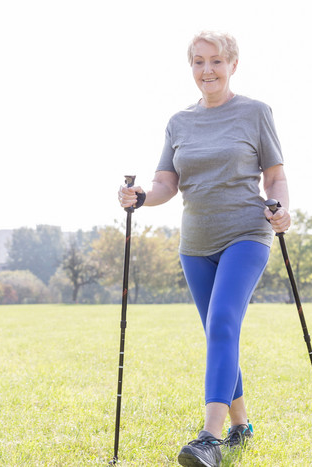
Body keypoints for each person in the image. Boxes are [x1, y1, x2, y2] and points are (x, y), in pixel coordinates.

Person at [118, 31, 291, 467]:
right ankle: (240, 426)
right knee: (219, 334)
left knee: (223, 322)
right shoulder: (179, 122)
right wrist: (141, 197)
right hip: (194, 244)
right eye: (198, 62)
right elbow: (166, 184)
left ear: (233, 64)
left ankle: (209, 439)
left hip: (246, 234)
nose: (207, 70)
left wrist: (283, 209)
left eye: (215, 61)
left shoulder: (255, 112)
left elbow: (274, 177)